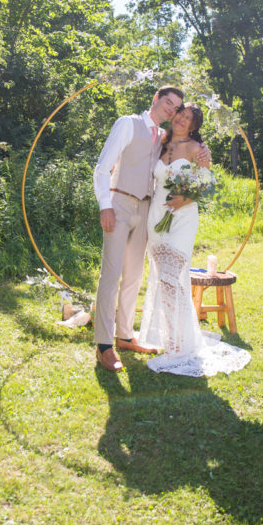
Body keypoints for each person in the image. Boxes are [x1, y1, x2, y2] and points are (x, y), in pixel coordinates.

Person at [93, 86, 210, 372]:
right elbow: (102, 167)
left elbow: (197, 170)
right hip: (119, 203)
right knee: (111, 274)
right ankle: (104, 346)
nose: (172, 111)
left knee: (134, 276)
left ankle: (124, 336)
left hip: (147, 211)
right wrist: (104, 205)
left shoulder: (163, 137)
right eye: (169, 103)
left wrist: (203, 154)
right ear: (156, 99)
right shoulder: (127, 124)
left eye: (177, 108)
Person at [137, 102, 251, 377]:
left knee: (172, 275)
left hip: (183, 218)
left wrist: (184, 198)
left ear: (193, 126)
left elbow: (207, 183)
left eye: (188, 119)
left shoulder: (197, 149)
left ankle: (179, 346)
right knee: (163, 280)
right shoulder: (161, 141)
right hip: (156, 217)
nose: (182, 120)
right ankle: (171, 339)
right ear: (174, 116)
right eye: (180, 115)